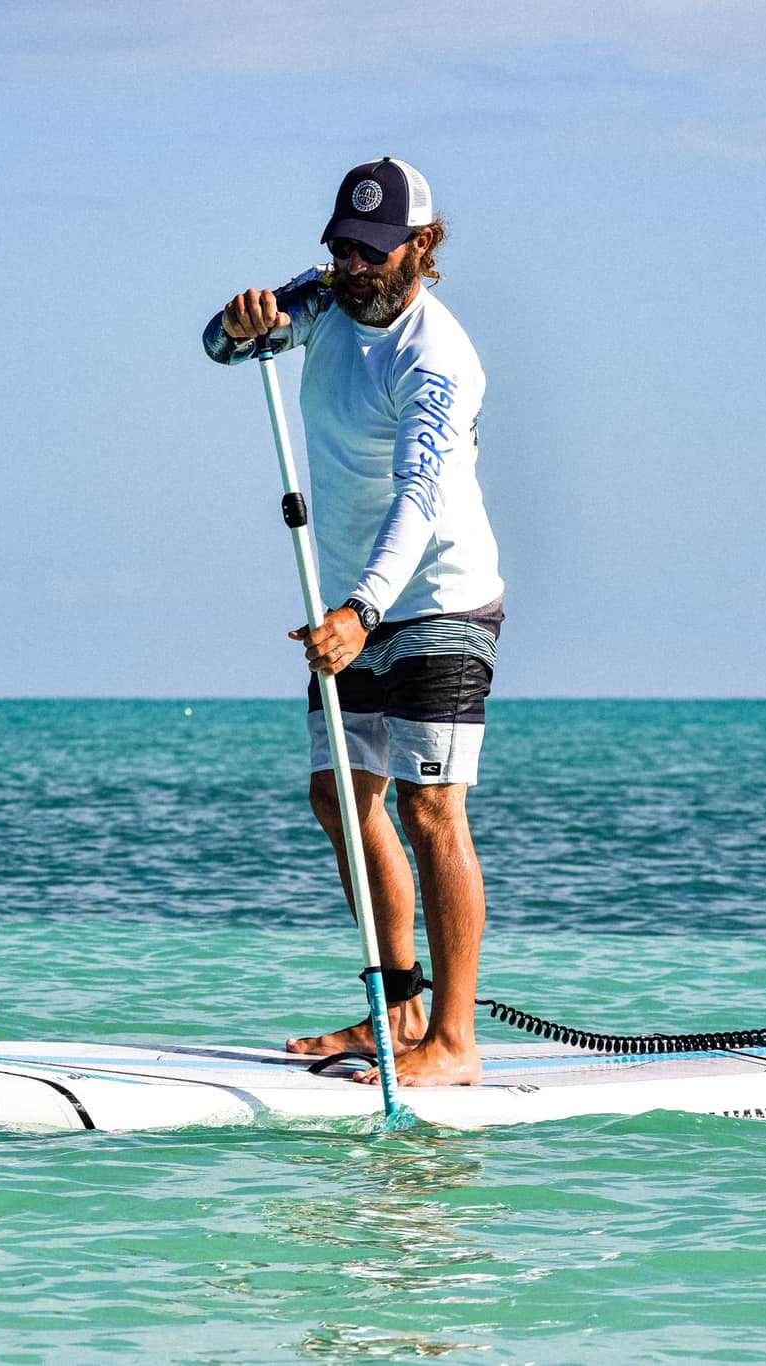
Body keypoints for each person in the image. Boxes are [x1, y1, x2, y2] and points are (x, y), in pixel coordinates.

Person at [202, 157, 505, 1087]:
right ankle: (397, 1006)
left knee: (429, 807)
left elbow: (420, 493)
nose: (354, 267)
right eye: (341, 249)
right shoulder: (328, 300)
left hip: (435, 598)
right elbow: (219, 347)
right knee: (342, 796)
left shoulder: (437, 357)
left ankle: (453, 1042)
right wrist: (240, 323)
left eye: (374, 253)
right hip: (349, 605)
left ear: (422, 246)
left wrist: (361, 610)